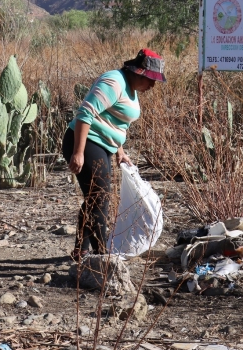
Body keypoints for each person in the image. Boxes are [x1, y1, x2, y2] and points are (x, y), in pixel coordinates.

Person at [62, 49, 166, 260]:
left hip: (103, 145)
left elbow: (114, 121)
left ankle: (81, 251)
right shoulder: (113, 82)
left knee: (96, 198)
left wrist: (120, 151)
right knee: (100, 198)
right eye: (150, 80)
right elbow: (85, 113)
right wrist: (78, 153)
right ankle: (102, 254)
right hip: (85, 141)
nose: (152, 85)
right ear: (138, 72)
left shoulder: (130, 87)